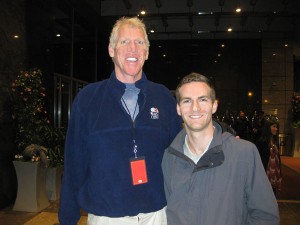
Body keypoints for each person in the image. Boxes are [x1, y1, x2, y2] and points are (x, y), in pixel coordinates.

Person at [58, 17, 183, 225]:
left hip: (157, 216)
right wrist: (67, 219)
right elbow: (74, 164)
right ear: (111, 50)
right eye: (124, 42)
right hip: (106, 218)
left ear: (147, 52)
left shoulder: (163, 98)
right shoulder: (88, 99)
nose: (132, 48)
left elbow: (180, 158)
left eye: (139, 42)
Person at [162, 72, 279, 225]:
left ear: (214, 105)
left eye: (202, 100)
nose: (195, 108)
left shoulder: (244, 153)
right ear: (178, 108)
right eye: (187, 101)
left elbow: (265, 216)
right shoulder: (169, 157)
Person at [256, 115, 282, 197]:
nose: (276, 129)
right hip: (265, 174)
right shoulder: (262, 142)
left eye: (277, 127)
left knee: (272, 196)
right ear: (268, 127)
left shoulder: (274, 141)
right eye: (274, 127)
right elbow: (259, 161)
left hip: (274, 174)